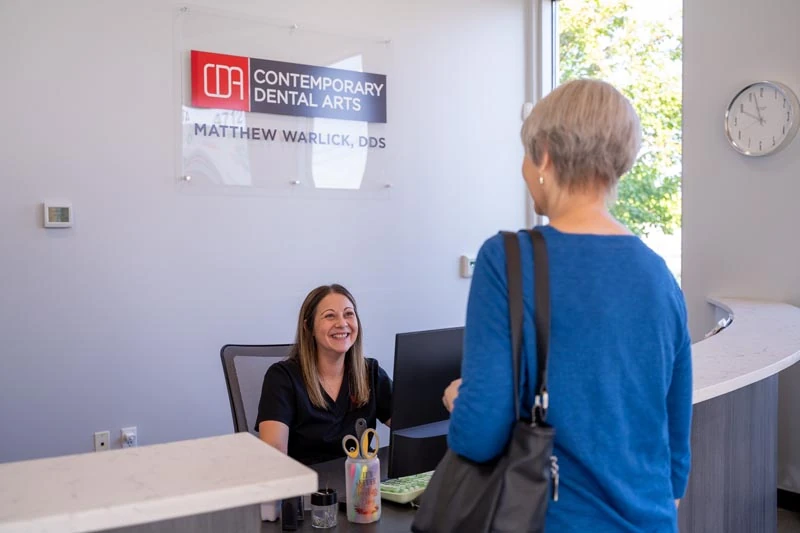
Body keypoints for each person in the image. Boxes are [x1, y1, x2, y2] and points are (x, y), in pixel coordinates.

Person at [442, 79, 692, 532]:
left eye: (525, 154)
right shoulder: (660, 275)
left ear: (545, 156)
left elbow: (479, 436)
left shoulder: (506, 259)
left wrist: (459, 400)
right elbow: (676, 458)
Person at [256, 284, 392, 465]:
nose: (342, 323)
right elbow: (274, 455)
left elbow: (412, 427)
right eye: (329, 316)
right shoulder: (282, 378)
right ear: (308, 327)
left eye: (348, 314)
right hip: (309, 488)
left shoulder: (370, 373)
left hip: (362, 487)